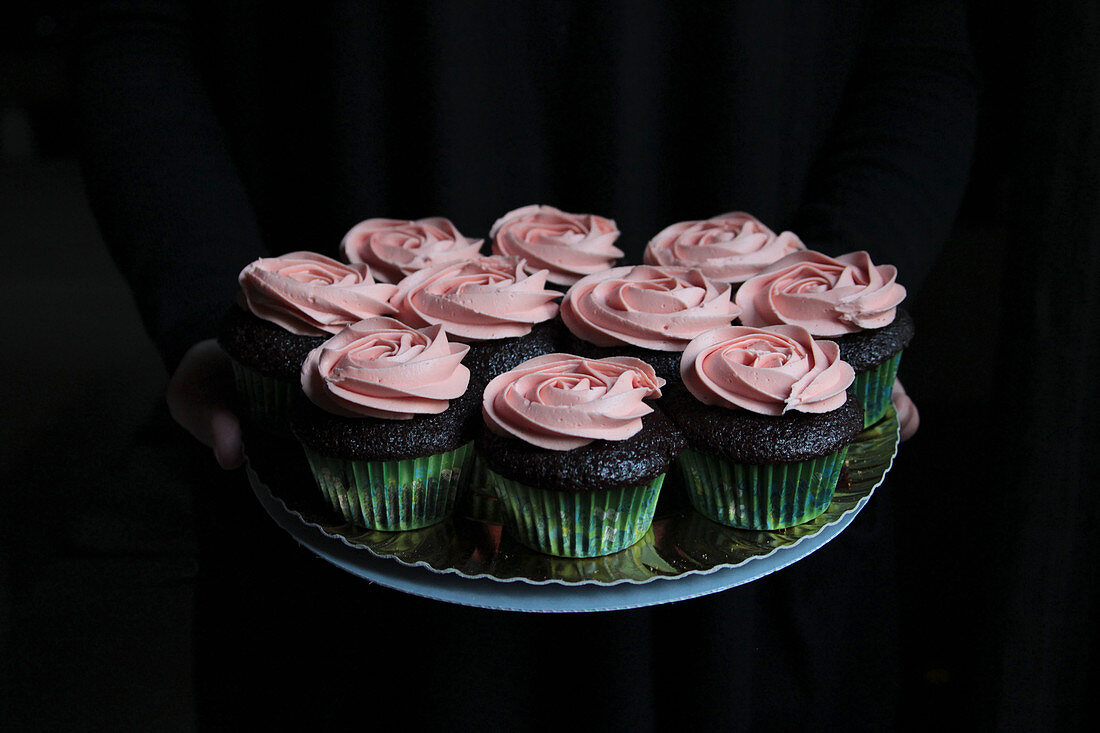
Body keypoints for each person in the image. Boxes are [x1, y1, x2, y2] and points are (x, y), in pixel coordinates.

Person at [72, 1, 976, 728]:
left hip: (750, 554)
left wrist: (835, 318)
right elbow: (134, 25)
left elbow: (916, 48)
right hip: (341, 447)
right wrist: (208, 305)